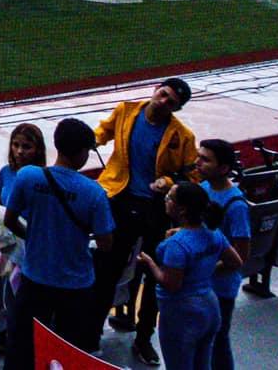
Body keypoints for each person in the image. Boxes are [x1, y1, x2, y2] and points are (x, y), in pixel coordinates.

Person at [93, 78, 199, 362]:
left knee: (153, 276)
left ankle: (144, 338)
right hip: (119, 200)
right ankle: (92, 332)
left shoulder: (182, 136)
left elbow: (192, 175)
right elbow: (103, 131)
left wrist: (168, 181)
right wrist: (92, 139)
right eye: (163, 94)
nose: (164, 102)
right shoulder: (126, 111)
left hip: (156, 209)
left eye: (171, 102)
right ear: (155, 90)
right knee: (108, 269)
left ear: (176, 108)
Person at [3, 117, 115, 368]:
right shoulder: (94, 193)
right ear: (83, 153)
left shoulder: (28, 177)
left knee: (20, 351)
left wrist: (33, 238)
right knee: (69, 356)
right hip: (76, 288)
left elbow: (10, 221)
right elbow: (106, 243)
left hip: (34, 282)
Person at [136, 182, 238, 370]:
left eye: (169, 198)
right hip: (210, 307)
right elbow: (235, 262)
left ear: (181, 210)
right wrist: (203, 273)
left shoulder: (177, 245)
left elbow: (171, 284)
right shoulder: (213, 234)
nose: (165, 200)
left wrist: (150, 263)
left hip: (181, 314)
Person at [0, 122, 48, 361]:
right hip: (7, 247)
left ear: (38, 150)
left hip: (30, 249)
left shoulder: (42, 178)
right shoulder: (5, 172)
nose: (20, 151)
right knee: (9, 298)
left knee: (22, 303)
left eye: (26, 146)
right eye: (16, 145)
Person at [195, 139, 251, 370]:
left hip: (220, 287)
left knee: (218, 340)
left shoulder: (236, 205)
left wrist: (206, 269)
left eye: (205, 159)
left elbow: (241, 254)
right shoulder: (204, 190)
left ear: (224, 168)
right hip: (202, 284)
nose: (197, 162)